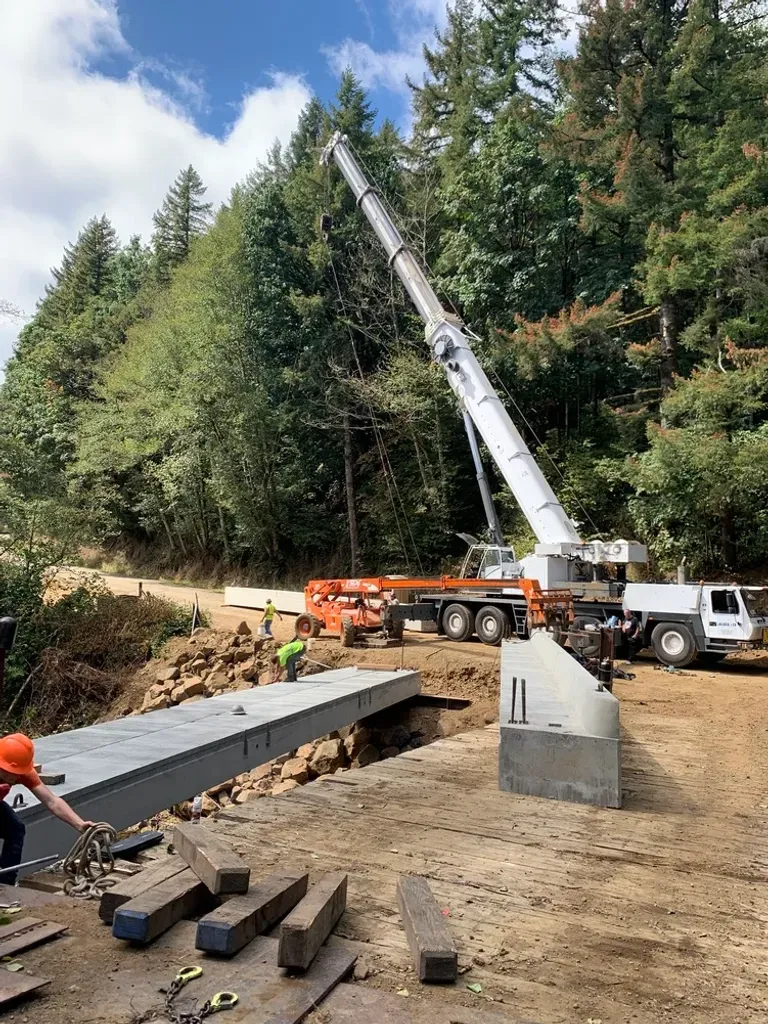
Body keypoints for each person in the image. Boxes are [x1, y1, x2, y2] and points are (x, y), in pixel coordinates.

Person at [0, 733, 94, 884]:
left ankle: (5, 883)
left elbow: (52, 801)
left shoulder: (21, 770)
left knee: (15, 829)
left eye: (18, 774)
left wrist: (79, 824)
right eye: (11, 774)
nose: (15, 778)